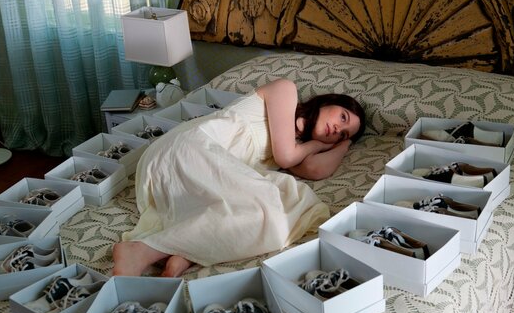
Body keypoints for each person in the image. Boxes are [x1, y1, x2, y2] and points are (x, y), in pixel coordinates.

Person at [112, 78, 366, 277]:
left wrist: (343, 145)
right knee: (273, 207)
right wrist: (319, 144)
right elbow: (286, 157)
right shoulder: (285, 90)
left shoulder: (300, 147)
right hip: (190, 148)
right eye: (343, 117)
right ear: (328, 102)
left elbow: (316, 170)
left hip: (204, 170)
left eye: (343, 133)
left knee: (266, 217)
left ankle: (182, 250)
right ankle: (141, 251)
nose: (338, 129)